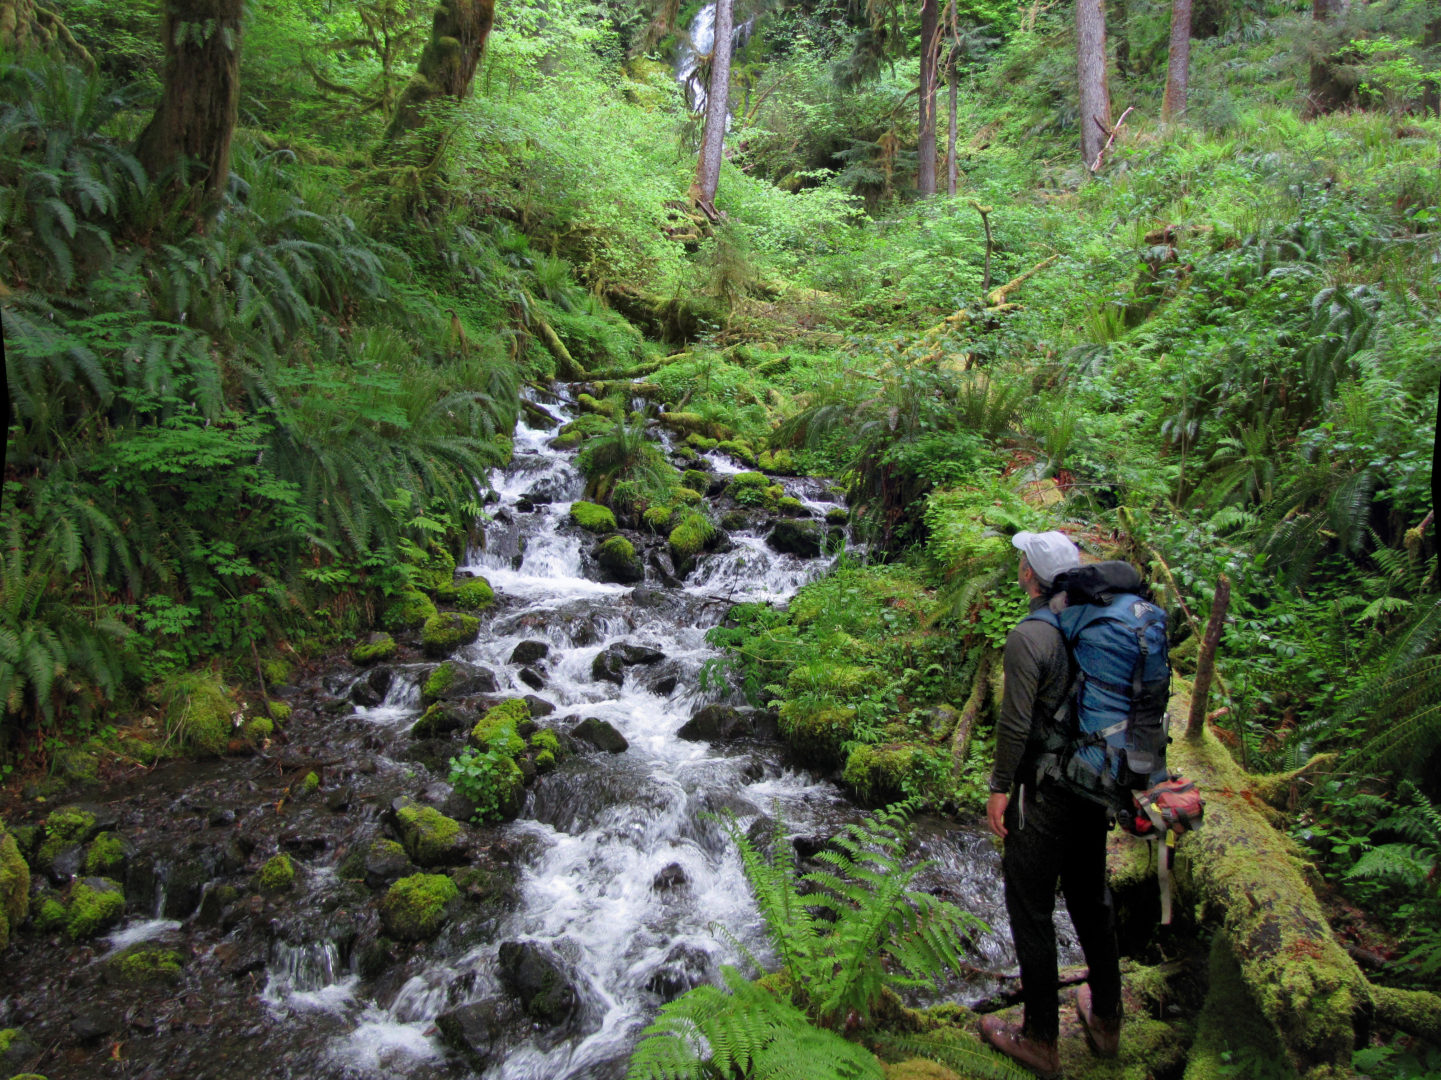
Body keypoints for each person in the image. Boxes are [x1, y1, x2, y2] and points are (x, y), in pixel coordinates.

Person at [978, 530, 1123, 1078]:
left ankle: (1041, 1037)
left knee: (1030, 900)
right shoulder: (1098, 623)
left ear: (1029, 577)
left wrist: (998, 788)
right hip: (1099, 784)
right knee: (1090, 895)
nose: (1018, 565)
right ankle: (1107, 1021)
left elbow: (1015, 726)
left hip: (1052, 790)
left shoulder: (1030, 636)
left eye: (1022, 560)